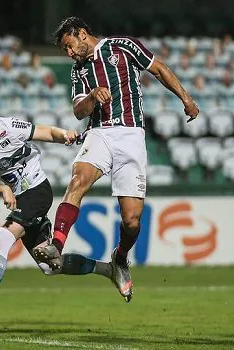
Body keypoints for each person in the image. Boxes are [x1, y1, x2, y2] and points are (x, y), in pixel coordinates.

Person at [33, 17, 200, 302]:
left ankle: (119, 259)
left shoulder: (122, 46)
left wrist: (185, 98)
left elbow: (158, 69)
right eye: (65, 51)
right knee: (78, 180)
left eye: (70, 46)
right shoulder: (78, 71)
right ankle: (57, 244)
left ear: (82, 34)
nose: (70, 53)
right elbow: (78, 110)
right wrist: (94, 98)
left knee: (132, 221)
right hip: (100, 132)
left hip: (132, 135)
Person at [0, 89, 113, 331]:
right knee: (50, 266)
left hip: (37, 190)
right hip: (22, 197)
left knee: (3, 240)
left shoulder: (8, 126)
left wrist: (64, 135)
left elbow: (44, 132)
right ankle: (107, 268)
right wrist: (0, 190)